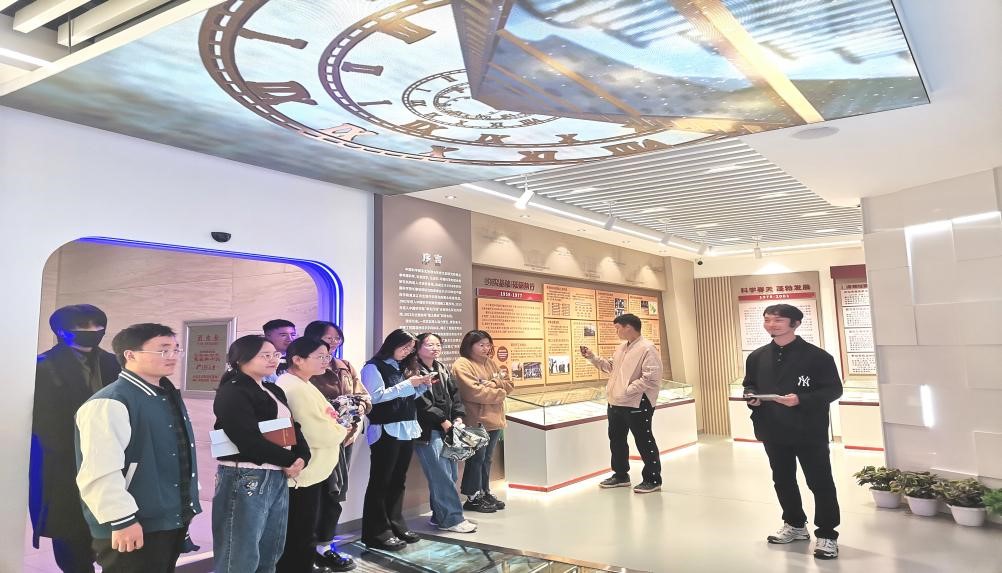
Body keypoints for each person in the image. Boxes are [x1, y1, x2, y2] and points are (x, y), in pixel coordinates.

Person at [74, 323, 201, 573]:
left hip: (167, 517)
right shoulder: (110, 402)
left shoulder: (164, 394)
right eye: (163, 350)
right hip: (133, 521)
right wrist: (122, 520)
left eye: (176, 349)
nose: (173, 356)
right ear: (130, 355)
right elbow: (99, 471)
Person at [743, 304, 843, 560]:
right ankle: (795, 524)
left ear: (795, 324)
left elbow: (834, 390)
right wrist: (752, 397)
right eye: (767, 320)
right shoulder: (757, 357)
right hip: (772, 429)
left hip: (808, 430)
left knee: (819, 481)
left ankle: (827, 534)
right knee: (782, 479)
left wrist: (801, 399)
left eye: (778, 320)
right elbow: (749, 384)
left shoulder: (818, 357)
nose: (771, 325)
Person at [31, 304, 122, 573]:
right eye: (83, 326)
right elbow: (42, 421)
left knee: (112, 536)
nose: (93, 331)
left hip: (112, 463)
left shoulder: (114, 363)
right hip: (65, 465)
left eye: (97, 325)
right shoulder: (43, 366)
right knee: (72, 540)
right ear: (61, 331)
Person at [211, 335, 310, 573]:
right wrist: (289, 460)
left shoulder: (272, 388)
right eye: (265, 355)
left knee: (270, 551)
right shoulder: (233, 390)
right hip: (246, 475)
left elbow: (292, 428)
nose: (273, 359)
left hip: (276, 474)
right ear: (241, 359)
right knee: (239, 556)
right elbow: (245, 438)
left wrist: (302, 457)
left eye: (275, 354)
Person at [359, 329, 437, 551]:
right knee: (380, 481)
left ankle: (396, 524)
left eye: (410, 349)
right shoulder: (373, 367)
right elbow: (375, 397)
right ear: (392, 344)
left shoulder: (402, 367)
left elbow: (404, 397)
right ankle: (376, 532)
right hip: (385, 429)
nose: (407, 352)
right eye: (404, 347)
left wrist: (421, 386)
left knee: (398, 480)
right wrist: (408, 384)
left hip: (406, 427)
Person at [303, 320, 371, 572]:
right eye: (328, 338)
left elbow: (363, 395)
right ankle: (307, 549)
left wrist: (359, 407)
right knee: (315, 495)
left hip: (345, 437)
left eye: (336, 338)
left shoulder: (344, 366)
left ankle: (325, 545)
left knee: (335, 494)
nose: (333, 343)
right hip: (318, 441)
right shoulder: (303, 370)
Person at [276, 338, 349, 573]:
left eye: (327, 356)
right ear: (297, 359)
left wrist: (334, 423)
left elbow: (326, 418)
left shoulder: (302, 383)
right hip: (303, 473)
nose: (326, 361)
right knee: (301, 531)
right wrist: (342, 429)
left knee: (304, 529)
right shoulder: (294, 387)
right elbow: (314, 431)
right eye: (320, 356)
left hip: (311, 472)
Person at [581, 313, 664, 494]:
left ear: (628, 327)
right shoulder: (621, 348)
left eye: (618, 328)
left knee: (644, 440)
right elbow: (611, 368)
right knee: (616, 440)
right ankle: (620, 475)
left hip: (637, 403)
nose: (616, 332)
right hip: (616, 403)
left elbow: (652, 378)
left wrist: (627, 390)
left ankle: (652, 479)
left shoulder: (647, 348)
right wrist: (592, 357)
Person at [408, 333, 477, 533]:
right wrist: (443, 421)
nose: (435, 348)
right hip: (428, 431)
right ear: (418, 347)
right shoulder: (413, 372)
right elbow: (421, 403)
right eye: (430, 344)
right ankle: (452, 519)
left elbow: (455, 395)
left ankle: (439, 515)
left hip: (448, 429)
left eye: (438, 344)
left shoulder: (442, 368)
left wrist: (458, 417)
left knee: (451, 474)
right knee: (441, 475)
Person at [452, 330, 513, 513]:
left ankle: (484, 491)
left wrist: (492, 383)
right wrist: (499, 392)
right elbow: (474, 392)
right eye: (481, 345)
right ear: (469, 346)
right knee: (476, 459)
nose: (486, 348)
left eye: (488, 345)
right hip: (475, 420)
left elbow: (509, 384)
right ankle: (472, 496)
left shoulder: (490, 362)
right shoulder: (462, 364)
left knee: (487, 459)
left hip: (494, 419)